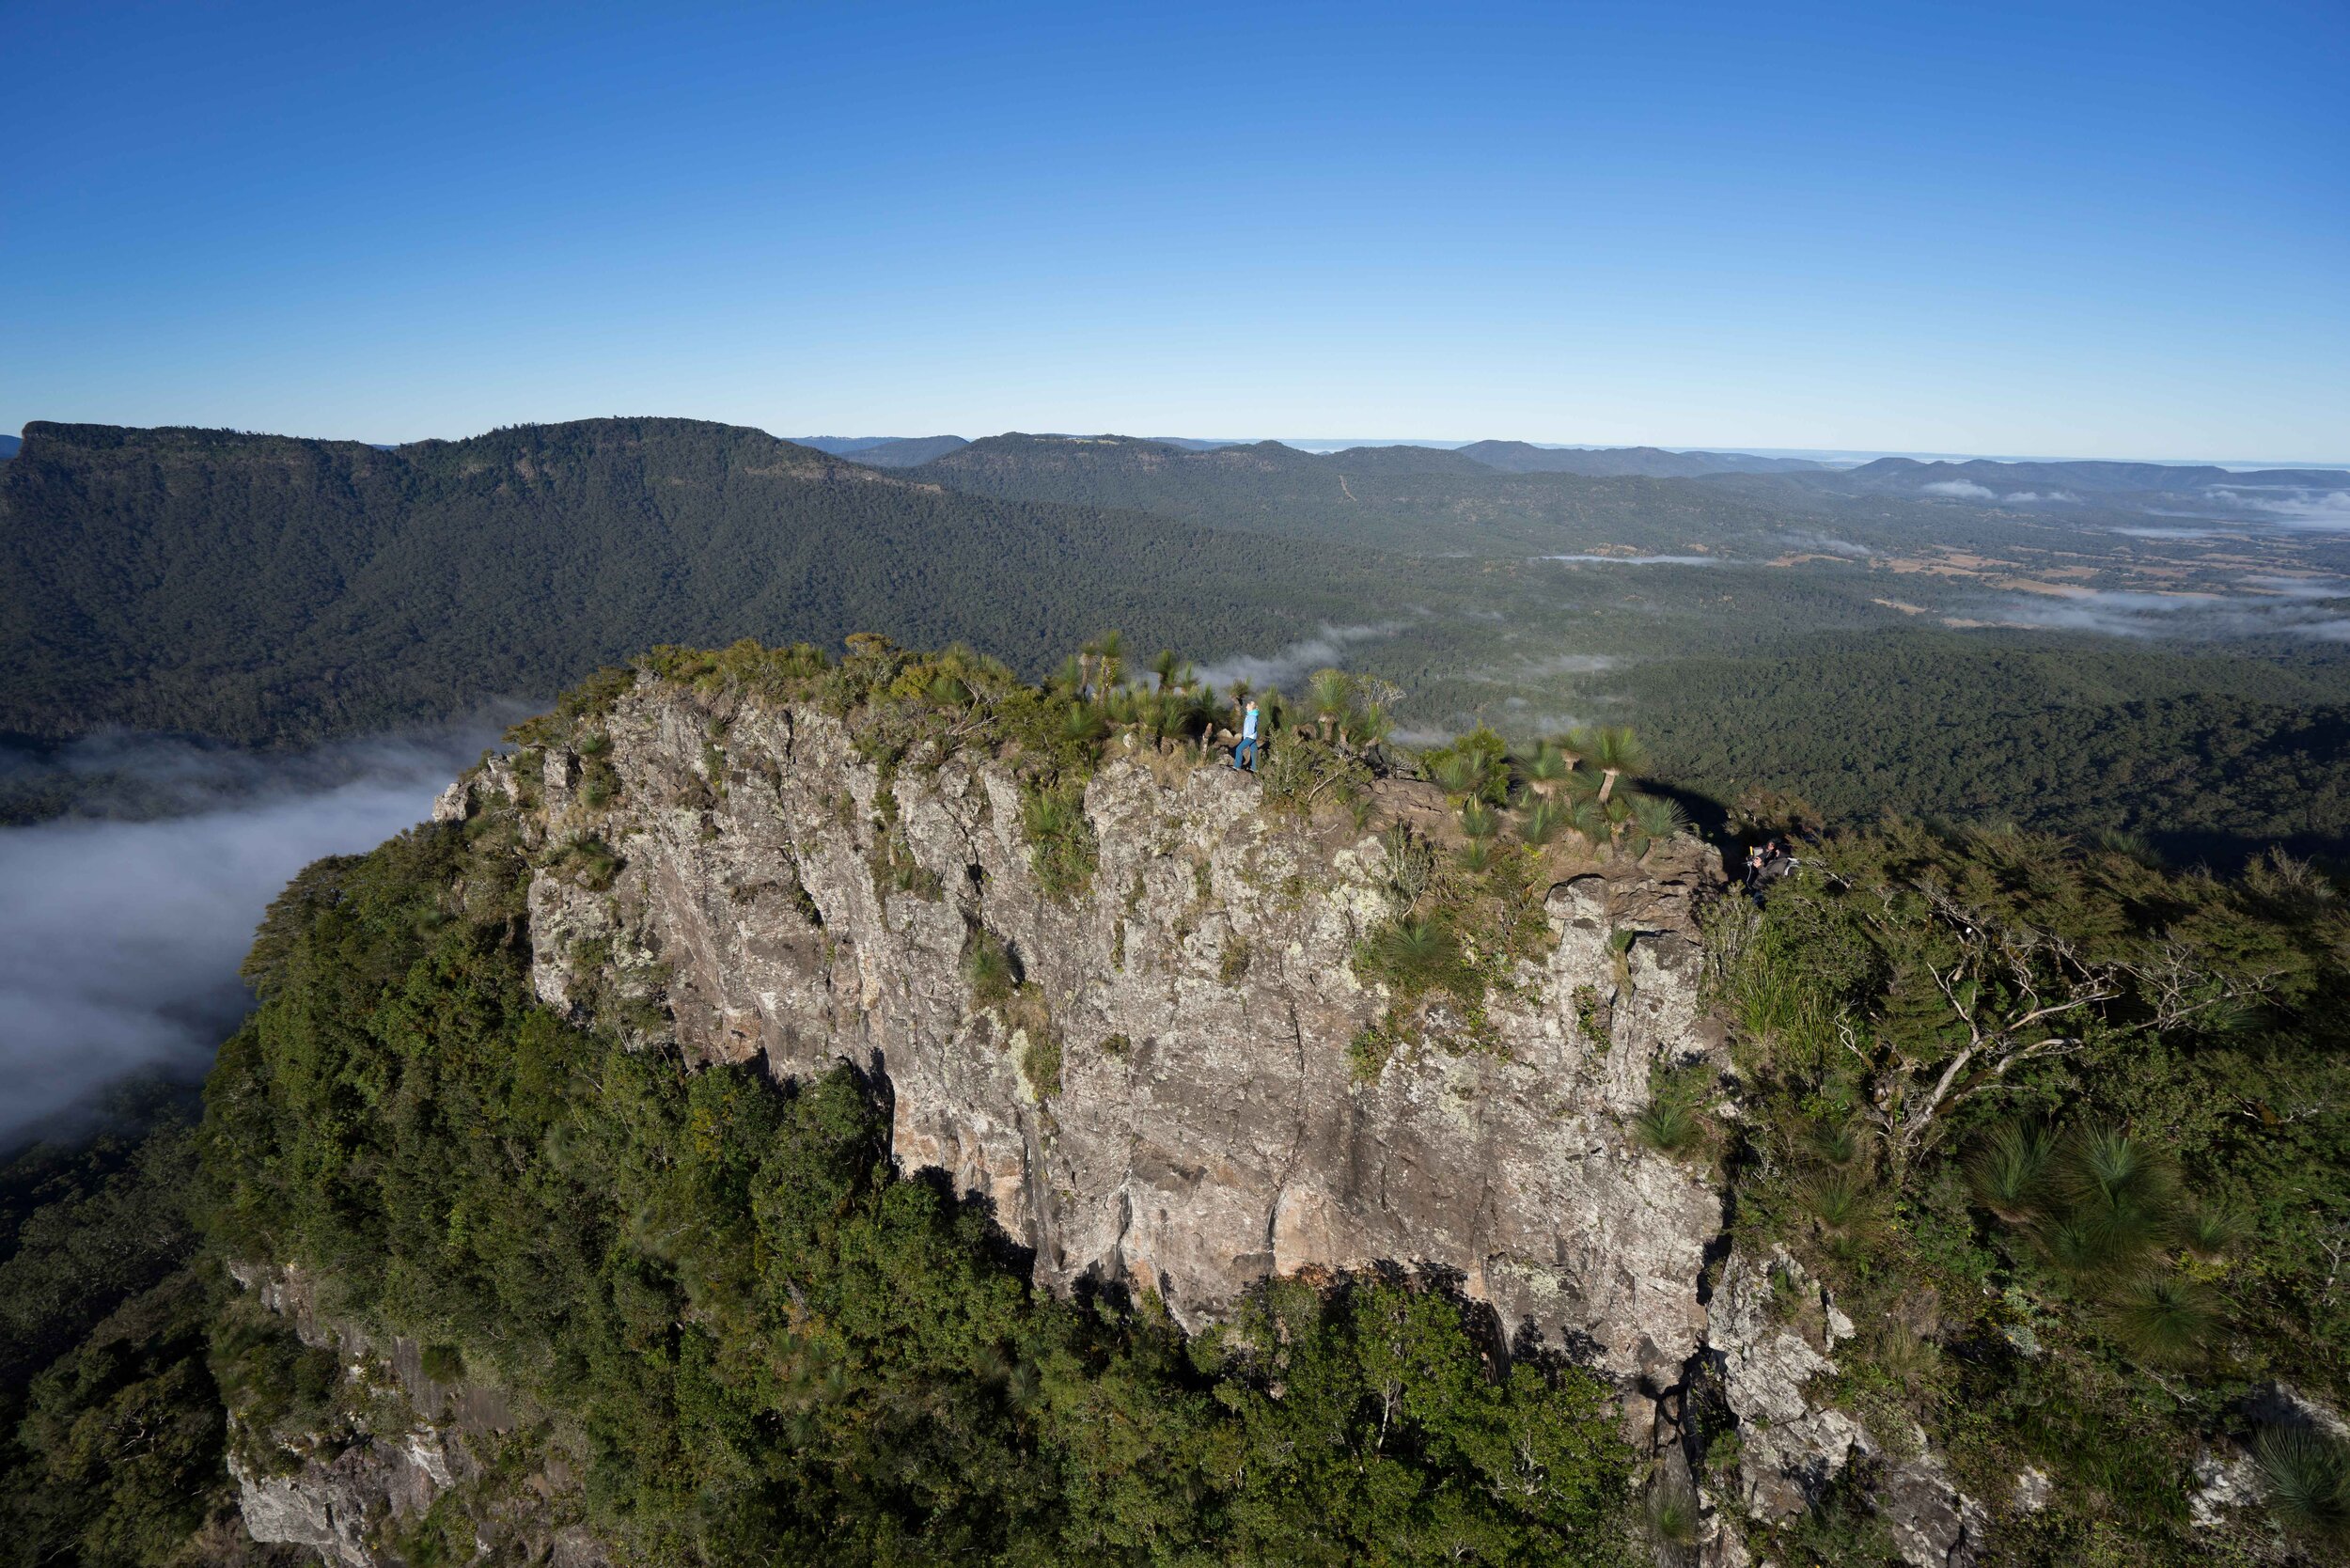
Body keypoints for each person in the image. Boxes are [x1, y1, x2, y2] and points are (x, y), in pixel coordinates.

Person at [1232, 700, 1261, 772]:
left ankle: (1237, 766)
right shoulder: (1251, 715)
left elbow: (1251, 728)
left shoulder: (1252, 717)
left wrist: (1247, 736)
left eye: (1247, 705)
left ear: (1251, 707)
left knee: (1239, 749)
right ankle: (1254, 768)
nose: (1246, 706)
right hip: (1252, 737)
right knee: (1253, 751)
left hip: (1249, 737)